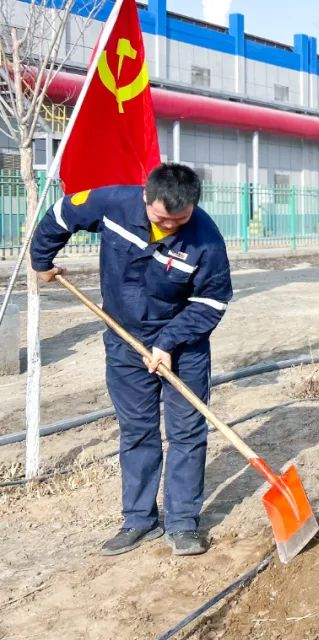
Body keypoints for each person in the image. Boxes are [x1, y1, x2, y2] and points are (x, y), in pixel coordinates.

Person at [31, 163, 232, 557]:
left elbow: (213, 301)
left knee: (187, 432)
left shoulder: (206, 240)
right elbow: (60, 215)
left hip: (183, 345)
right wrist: (42, 262)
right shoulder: (114, 203)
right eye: (162, 218)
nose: (171, 226)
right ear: (145, 196)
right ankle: (139, 520)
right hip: (124, 340)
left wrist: (169, 342)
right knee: (137, 429)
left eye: (181, 218)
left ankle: (182, 523)